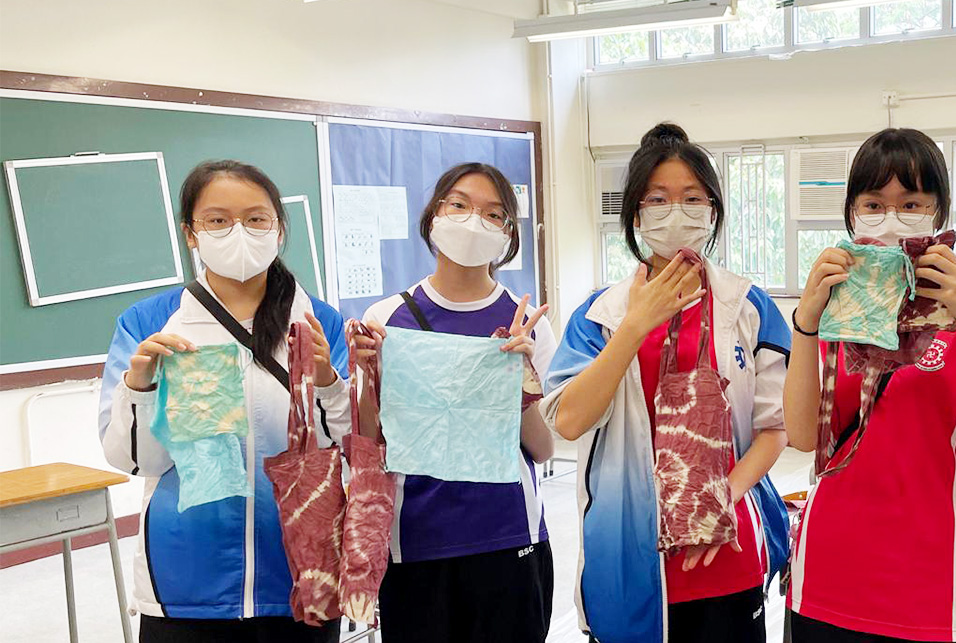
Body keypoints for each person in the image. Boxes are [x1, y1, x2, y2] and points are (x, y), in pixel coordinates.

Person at [542, 123, 791, 643]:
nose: (676, 212)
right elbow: (569, 421)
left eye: (692, 198)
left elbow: (775, 428)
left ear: (712, 212)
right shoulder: (600, 315)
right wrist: (634, 327)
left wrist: (720, 497)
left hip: (727, 547)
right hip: (627, 553)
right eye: (658, 199)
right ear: (636, 215)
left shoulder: (749, 306)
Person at [783, 128, 956, 642]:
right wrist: (806, 320)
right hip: (828, 575)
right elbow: (804, 436)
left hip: (939, 584)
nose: (891, 218)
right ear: (853, 212)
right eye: (874, 204)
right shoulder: (834, 304)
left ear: (938, 212)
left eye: (911, 203)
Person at [98, 160, 351, 643]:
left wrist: (327, 382)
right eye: (217, 220)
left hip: (302, 570)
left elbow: (347, 445)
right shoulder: (149, 322)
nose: (238, 231)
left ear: (279, 229)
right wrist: (139, 386)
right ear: (190, 233)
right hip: (185, 581)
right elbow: (134, 461)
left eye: (256, 218)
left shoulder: (319, 323)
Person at [351, 163, 556, 643]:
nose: (473, 221)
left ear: (508, 233)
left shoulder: (527, 322)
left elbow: (544, 449)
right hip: (416, 543)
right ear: (433, 215)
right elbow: (369, 441)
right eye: (459, 205)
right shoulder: (386, 317)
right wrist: (370, 375)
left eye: (493, 214)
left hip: (509, 535)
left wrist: (521, 383)